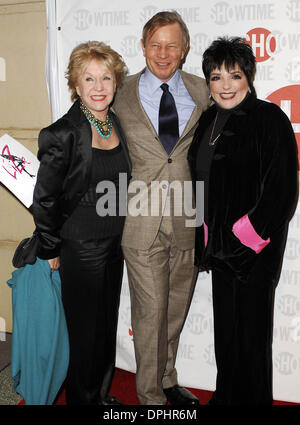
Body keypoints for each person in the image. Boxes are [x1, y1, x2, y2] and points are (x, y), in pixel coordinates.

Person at [188, 37, 298, 405]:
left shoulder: (269, 119)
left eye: (234, 76)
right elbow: (199, 181)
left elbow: (281, 192)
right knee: (227, 336)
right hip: (218, 250)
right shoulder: (207, 120)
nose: (225, 85)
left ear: (248, 77)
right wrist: (204, 237)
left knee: (251, 340)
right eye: (216, 77)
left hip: (255, 253)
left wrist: (244, 239)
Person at [113, 11, 210, 405]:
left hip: (189, 215)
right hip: (139, 221)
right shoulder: (119, 92)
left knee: (174, 309)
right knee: (150, 313)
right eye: (156, 44)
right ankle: (151, 396)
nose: (164, 53)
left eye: (172, 44)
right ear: (143, 46)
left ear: (185, 48)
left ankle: (167, 377)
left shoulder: (204, 90)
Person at [32, 41, 131, 405]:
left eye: (106, 77)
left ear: (116, 81)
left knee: (106, 327)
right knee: (84, 333)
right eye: (88, 78)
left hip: (114, 243)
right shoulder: (62, 133)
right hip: (81, 247)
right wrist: (50, 247)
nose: (99, 86)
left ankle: (100, 394)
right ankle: (82, 399)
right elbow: (44, 199)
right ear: (75, 84)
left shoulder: (114, 121)